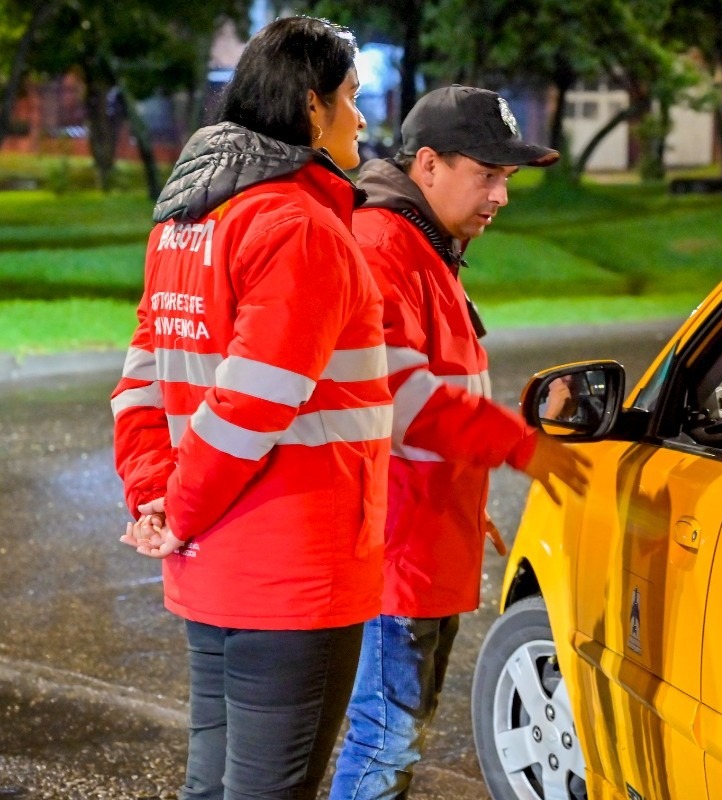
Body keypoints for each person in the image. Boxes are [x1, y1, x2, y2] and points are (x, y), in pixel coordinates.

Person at [110, 16, 391, 800]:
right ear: (312, 107)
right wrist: (179, 512)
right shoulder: (301, 229)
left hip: (210, 564)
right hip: (293, 570)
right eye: (352, 98)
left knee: (214, 784)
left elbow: (141, 380)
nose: (362, 118)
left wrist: (155, 501)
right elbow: (249, 407)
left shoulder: (184, 222)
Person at [330, 85, 591, 799]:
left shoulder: (425, 246)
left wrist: (467, 501)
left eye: (506, 179)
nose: (500, 196)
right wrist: (520, 444)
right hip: (397, 557)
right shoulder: (385, 247)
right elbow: (402, 399)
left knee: (394, 735)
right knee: (384, 738)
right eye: (487, 175)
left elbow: (433, 403)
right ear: (428, 165)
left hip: (424, 539)